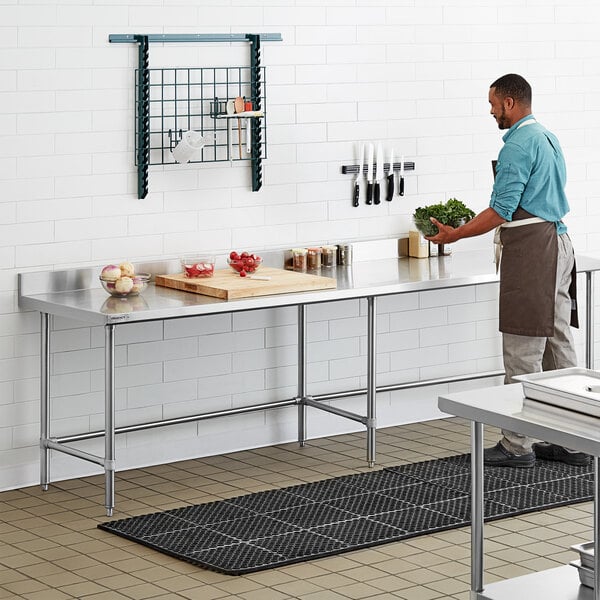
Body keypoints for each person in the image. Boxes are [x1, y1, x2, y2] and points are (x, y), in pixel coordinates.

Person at [426, 73, 590, 468]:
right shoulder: (547, 137)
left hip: (534, 250)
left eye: (493, 104)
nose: (491, 110)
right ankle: (573, 441)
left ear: (511, 103)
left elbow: (502, 208)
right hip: (557, 242)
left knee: (523, 347)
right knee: (557, 343)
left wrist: (458, 234)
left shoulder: (519, 143)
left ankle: (517, 445)